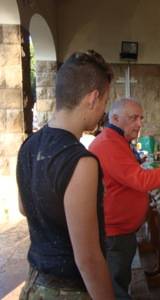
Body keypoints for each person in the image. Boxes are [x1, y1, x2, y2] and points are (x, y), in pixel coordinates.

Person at [16, 50, 115, 299]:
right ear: (92, 98)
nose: (104, 109)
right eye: (105, 101)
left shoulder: (29, 145)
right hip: (67, 290)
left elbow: (24, 207)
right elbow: (88, 259)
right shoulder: (80, 161)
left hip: (34, 283)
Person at [89, 98, 160, 300]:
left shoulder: (118, 141)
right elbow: (142, 180)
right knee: (115, 289)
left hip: (122, 231)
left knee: (121, 280)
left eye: (141, 118)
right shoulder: (108, 144)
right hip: (114, 233)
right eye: (133, 118)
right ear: (114, 118)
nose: (139, 124)